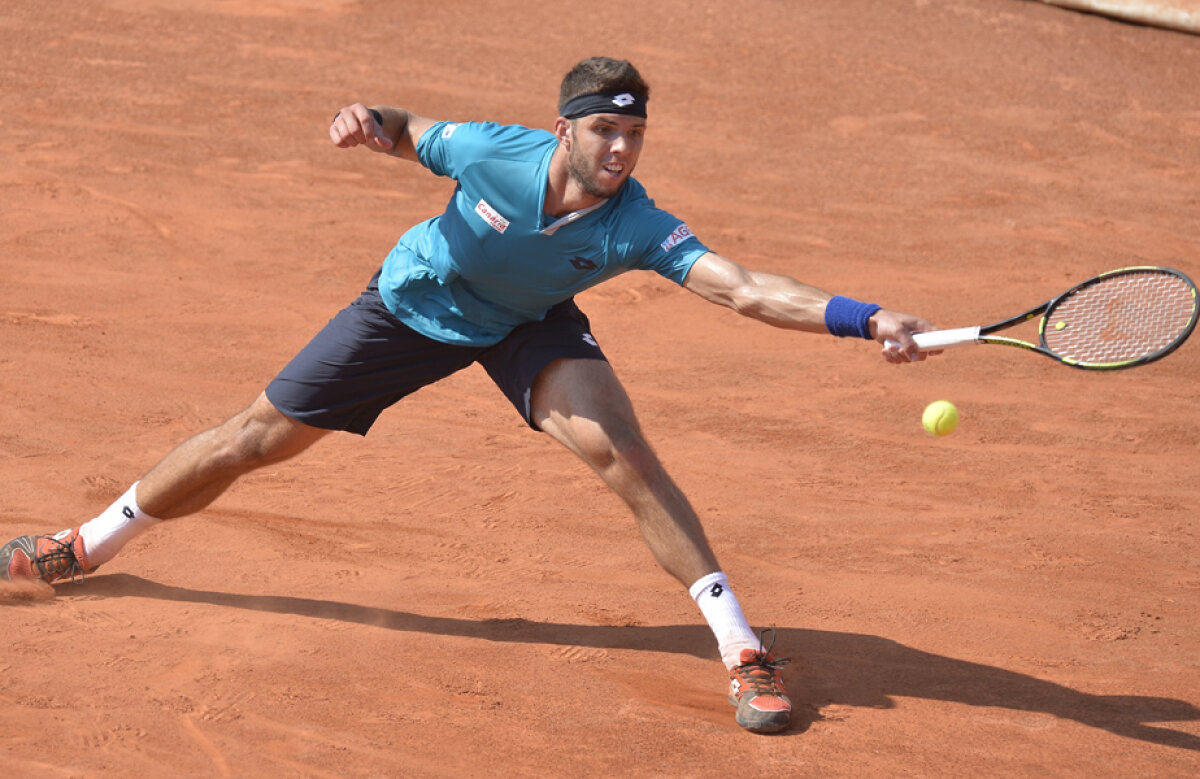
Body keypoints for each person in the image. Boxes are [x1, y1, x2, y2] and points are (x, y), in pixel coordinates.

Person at [1, 56, 934, 734]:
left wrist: (866, 317)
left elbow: (744, 289)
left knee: (622, 452)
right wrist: (367, 116)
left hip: (527, 320)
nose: (621, 149)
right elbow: (406, 128)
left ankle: (742, 650)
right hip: (415, 301)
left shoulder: (637, 223)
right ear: (565, 129)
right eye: (606, 131)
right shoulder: (491, 152)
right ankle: (85, 543)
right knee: (253, 438)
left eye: (635, 133)